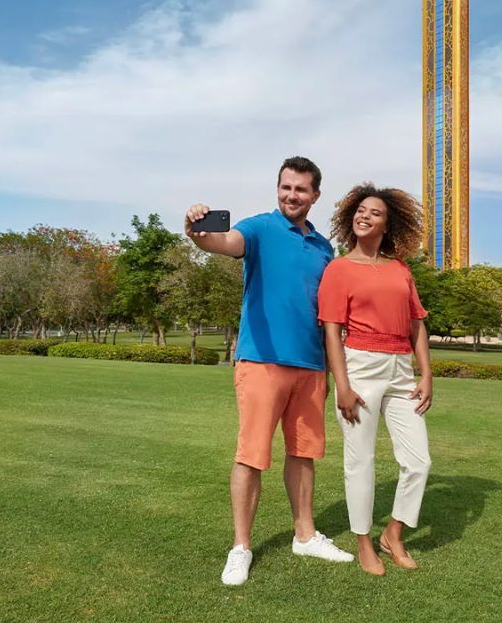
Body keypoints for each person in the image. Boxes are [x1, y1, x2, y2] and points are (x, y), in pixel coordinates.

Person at [185, 156, 354, 587]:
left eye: (300, 190)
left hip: (311, 366)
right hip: (261, 362)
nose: (291, 195)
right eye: (285, 187)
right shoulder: (259, 227)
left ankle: (304, 534)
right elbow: (223, 242)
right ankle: (241, 546)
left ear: (315, 195)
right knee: (252, 455)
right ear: (277, 188)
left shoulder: (323, 247)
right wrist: (197, 233)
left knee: (304, 455)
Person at [317, 183, 433, 576]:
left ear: (388, 224)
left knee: (419, 462)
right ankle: (364, 540)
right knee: (360, 461)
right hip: (360, 366)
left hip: (401, 370)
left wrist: (427, 372)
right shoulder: (338, 269)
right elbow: (332, 331)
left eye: (375, 213)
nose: (364, 216)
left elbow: (417, 323)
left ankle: (393, 533)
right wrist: (343, 386)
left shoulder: (400, 269)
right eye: (360, 210)